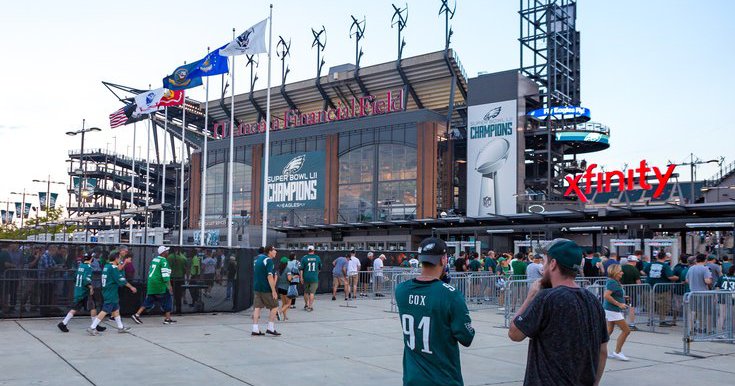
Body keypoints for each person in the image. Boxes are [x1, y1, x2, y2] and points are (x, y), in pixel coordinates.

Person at [509, 238, 608, 386]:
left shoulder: (546, 298)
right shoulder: (593, 300)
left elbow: (514, 333)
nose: (543, 267)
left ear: (553, 264)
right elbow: (603, 351)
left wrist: (530, 296)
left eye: (546, 262)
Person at [395, 237, 474, 386]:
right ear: (443, 260)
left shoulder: (401, 290)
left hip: (412, 379)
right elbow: (466, 337)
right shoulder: (451, 295)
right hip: (443, 379)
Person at [87, 253, 137, 335]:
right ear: (116, 259)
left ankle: (120, 327)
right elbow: (121, 279)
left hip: (108, 290)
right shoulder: (113, 268)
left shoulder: (106, 266)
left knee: (116, 309)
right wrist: (131, 287)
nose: (120, 260)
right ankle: (92, 327)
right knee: (105, 310)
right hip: (111, 291)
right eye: (119, 258)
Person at [58, 253, 106, 333]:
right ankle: (63, 323)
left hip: (79, 290)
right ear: (91, 259)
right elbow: (86, 279)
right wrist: (90, 287)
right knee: (91, 307)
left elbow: (75, 277)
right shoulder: (88, 268)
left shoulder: (80, 266)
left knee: (81, 307)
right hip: (85, 291)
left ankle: (64, 323)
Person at [131, 246, 176, 325]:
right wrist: (169, 286)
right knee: (168, 300)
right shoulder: (164, 261)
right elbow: (165, 275)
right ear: (163, 253)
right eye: (166, 251)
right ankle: (167, 319)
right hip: (159, 284)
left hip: (151, 283)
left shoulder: (154, 259)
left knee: (149, 300)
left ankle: (137, 314)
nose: (168, 252)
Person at [603, 264, 631, 361]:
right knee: (626, 330)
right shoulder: (612, 282)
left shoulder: (614, 282)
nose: (622, 273)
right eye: (620, 271)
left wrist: (623, 298)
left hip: (611, 309)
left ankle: (600, 350)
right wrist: (619, 304)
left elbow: (613, 294)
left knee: (608, 331)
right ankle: (617, 352)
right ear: (615, 272)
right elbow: (606, 295)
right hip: (613, 310)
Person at [644, 251, 679, 327]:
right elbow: (670, 276)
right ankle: (662, 321)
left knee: (650, 305)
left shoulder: (650, 264)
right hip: (662, 289)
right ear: (665, 257)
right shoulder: (665, 266)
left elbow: (644, 272)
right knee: (663, 305)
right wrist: (677, 277)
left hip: (650, 287)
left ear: (657, 256)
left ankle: (650, 320)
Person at [252, 246, 280, 336]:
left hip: (257, 287)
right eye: (274, 250)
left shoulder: (258, 259)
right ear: (269, 251)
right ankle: (270, 328)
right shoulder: (268, 261)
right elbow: (269, 276)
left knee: (257, 308)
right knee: (275, 306)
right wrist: (273, 291)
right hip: (266, 288)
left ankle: (255, 329)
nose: (276, 251)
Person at [620, 255, 642, 331]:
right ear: (634, 262)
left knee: (622, 306)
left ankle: (621, 323)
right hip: (632, 291)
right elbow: (638, 281)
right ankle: (631, 324)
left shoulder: (621, 268)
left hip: (622, 290)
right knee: (632, 307)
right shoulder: (634, 269)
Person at [300, 246, 322, 311]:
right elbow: (320, 268)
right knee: (312, 293)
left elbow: (301, 269)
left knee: (306, 292)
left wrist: (301, 277)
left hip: (306, 277)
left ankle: (306, 304)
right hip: (314, 277)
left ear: (308, 250)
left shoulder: (304, 258)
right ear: (313, 250)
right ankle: (310, 306)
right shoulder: (317, 258)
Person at [168, 247, 189, 314]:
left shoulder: (169, 257)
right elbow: (185, 269)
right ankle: (178, 310)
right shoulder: (182, 258)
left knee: (170, 293)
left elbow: (168, 268)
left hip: (172, 278)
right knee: (178, 295)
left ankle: (169, 309)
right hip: (180, 278)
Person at [276, 257, 293, 321]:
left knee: (284, 303)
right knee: (288, 304)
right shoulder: (287, 269)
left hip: (280, 288)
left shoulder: (278, 270)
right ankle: (279, 312)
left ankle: (285, 317)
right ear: (286, 263)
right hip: (286, 288)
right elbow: (289, 279)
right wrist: (293, 277)